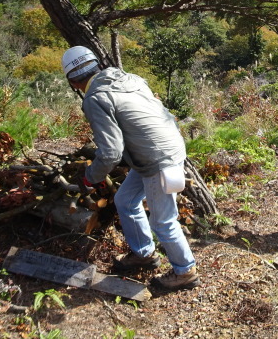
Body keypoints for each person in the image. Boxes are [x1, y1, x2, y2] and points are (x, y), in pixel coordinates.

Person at [61, 46, 199, 291]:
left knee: (163, 222)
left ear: (73, 82)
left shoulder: (95, 98)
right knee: (125, 200)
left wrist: (91, 177)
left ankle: (185, 271)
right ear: (96, 65)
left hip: (157, 160)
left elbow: (111, 151)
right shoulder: (128, 78)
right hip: (162, 149)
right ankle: (144, 254)